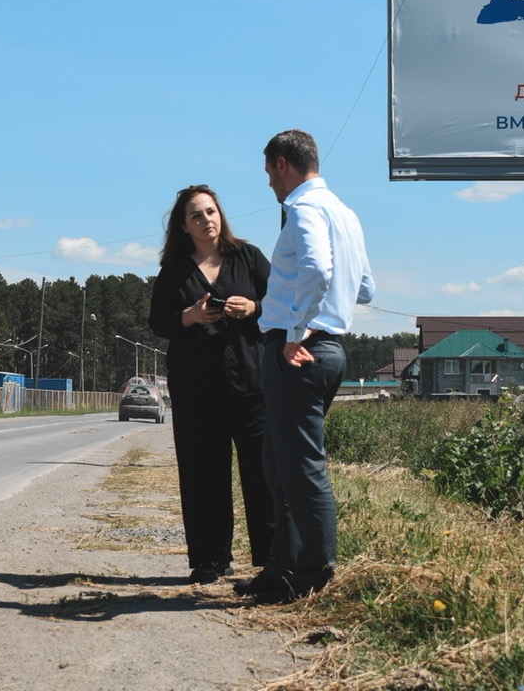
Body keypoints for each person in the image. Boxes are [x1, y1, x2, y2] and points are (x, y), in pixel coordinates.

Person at [239, 129, 374, 605]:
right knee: (279, 464)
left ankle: (315, 573)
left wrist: (297, 330)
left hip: (299, 349)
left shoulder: (303, 208)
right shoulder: (346, 213)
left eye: (269, 174)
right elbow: (365, 288)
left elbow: (317, 268)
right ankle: (280, 570)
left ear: (281, 164)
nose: (270, 185)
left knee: (302, 466)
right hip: (329, 347)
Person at [148, 184, 275, 585]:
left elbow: (279, 304)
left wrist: (253, 307)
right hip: (196, 388)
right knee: (203, 474)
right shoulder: (175, 271)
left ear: (221, 214)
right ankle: (209, 560)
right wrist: (189, 316)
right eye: (196, 216)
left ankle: (271, 558)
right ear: (183, 227)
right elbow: (158, 322)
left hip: (250, 384)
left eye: (211, 211)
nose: (207, 220)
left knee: (261, 472)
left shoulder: (248, 257)